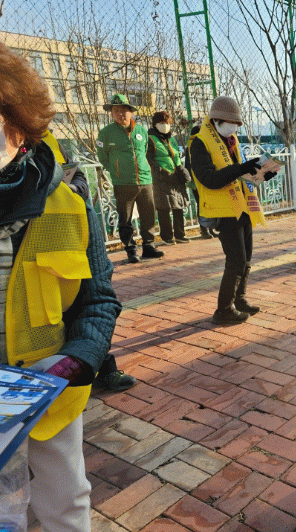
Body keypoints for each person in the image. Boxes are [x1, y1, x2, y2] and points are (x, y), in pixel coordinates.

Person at [0, 43, 122, 529]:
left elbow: (99, 300)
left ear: (20, 125)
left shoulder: (70, 206)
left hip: (48, 395)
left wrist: (77, 360)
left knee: (65, 505)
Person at [42, 131, 136, 392]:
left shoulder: (50, 144)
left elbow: (80, 179)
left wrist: (70, 192)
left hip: (62, 240)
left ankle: (98, 366)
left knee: (82, 303)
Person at [189, 96, 275, 325]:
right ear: (217, 120)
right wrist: (240, 168)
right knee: (236, 260)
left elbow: (239, 173)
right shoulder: (200, 142)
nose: (235, 128)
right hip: (222, 210)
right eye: (231, 123)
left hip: (242, 206)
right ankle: (223, 310)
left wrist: (261, 173)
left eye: (237, 124)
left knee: (246, 259)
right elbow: (209, 179)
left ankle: (240, 299)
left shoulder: (230, 140)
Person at [97, 94, 165, 263]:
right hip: (122, 183)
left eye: (123, 110)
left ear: (131, 112)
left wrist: (145, 169)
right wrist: (116, 171)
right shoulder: (106, 133)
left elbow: (145, 151)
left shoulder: (141, 131)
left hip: (145, 181)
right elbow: (102, 157)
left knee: (148, 216)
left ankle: (149, 246)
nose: (119, 114)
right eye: (115, 111)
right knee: (125, 218)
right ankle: (131, 250)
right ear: (111, 113)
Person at [146, 110, 191, 245]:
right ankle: (167, 237)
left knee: (178, 207)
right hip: (161, 178)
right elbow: (148, 159)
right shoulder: (150, 139)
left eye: (167, 123)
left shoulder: (172, 139)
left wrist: (181, 169)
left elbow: (176, 156)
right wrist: (160, 171)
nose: (165, 126)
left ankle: (180, 235)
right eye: (162, 123)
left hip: (175, 177)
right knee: (164, 209)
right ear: (155, 124)